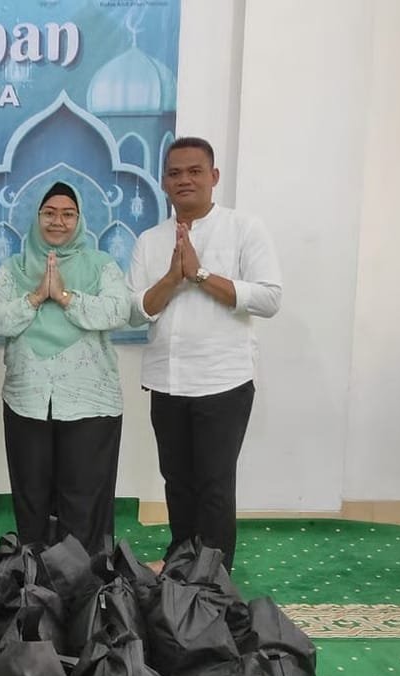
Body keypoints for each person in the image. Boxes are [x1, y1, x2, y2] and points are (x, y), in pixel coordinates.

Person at [127, 137, 282, 572]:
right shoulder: (149, 240)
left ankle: (213, 579)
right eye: (175, 173)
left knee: (214, 485)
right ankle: (181, 565)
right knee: (177, 482)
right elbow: (135, 311)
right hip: (166, 380)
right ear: (164, 182)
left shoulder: (243, 228)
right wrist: (172, 278)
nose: (185, 180)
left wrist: (199, 274)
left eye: (195, 171)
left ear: (213, 177)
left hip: (223, 380)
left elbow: (269, 299)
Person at [0, 181, 130, 554]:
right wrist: (38, 295)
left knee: (84, 494)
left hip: (89, 398)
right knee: (31, 492)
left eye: (68, 214)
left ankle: (84, 575)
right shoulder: (14, 267)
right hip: (27, 395)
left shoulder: (101, 264)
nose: (58, 221)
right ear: (36, 217)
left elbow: (119, 310)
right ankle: (34, 572)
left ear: (80, 219)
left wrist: (65, 297)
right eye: (49, 213)